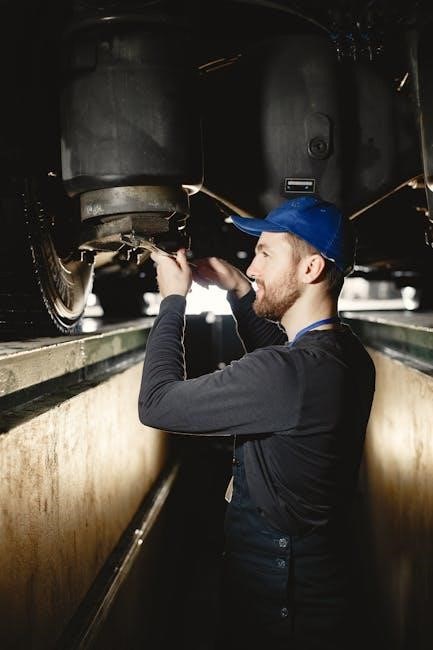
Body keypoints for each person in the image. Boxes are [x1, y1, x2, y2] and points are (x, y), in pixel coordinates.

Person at [138, 195, 376, 650]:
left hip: (282, 601)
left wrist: (172, 301)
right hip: (313, 583)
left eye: (265, 254)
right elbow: (284, 373)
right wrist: (237, 288)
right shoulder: (346, 354)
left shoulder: (286, 374)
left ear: (310, 269)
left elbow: (156, 403)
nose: (253, 267)